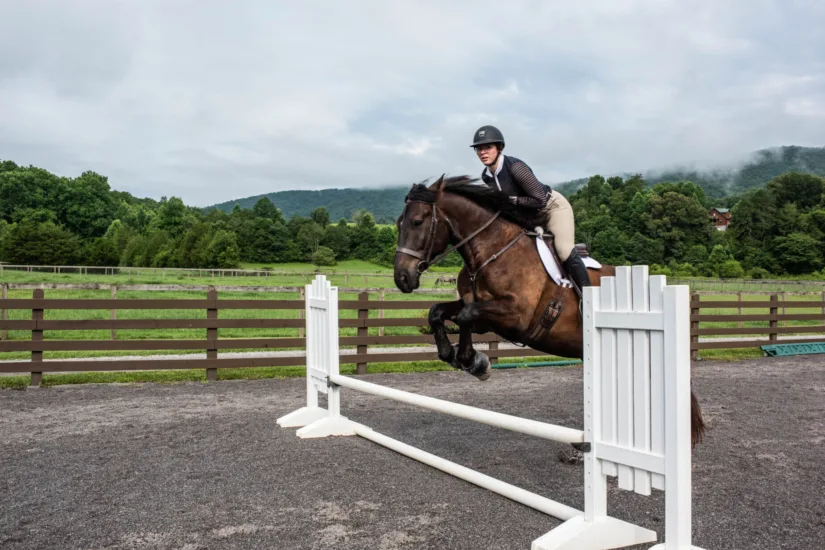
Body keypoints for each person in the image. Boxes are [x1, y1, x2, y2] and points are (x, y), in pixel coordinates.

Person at [470, 124, 591, 294]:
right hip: (528, 217)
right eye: (479, 149)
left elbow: (539, 199)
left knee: (563, 250)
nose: (483, 152)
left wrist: (511, 200)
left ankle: (588, 297)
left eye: (488, 147)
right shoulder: (487, 176)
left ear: (499, 148)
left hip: (552, 208)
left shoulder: (515, 167)